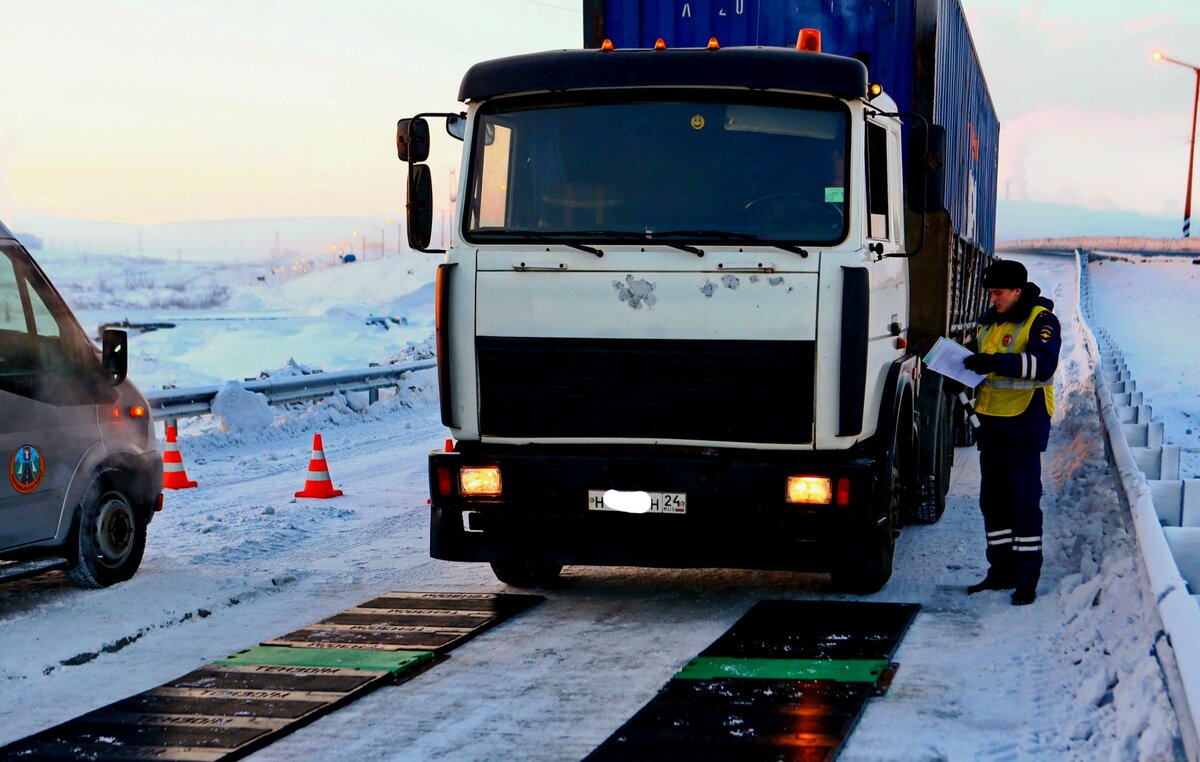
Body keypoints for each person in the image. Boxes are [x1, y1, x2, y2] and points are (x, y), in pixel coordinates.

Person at [961, 259, 1061, 606]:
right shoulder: (990, 324)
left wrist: (995, 363)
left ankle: (1026, 579)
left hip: (1023, 422)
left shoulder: (1042, 321)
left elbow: (1042, 364)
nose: (993, 300)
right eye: (990, 293)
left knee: (1022, 502)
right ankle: (1000, 570)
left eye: (998, 293)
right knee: (993, 502)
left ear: (1018, 291)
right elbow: (977, 362)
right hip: (991, 422)